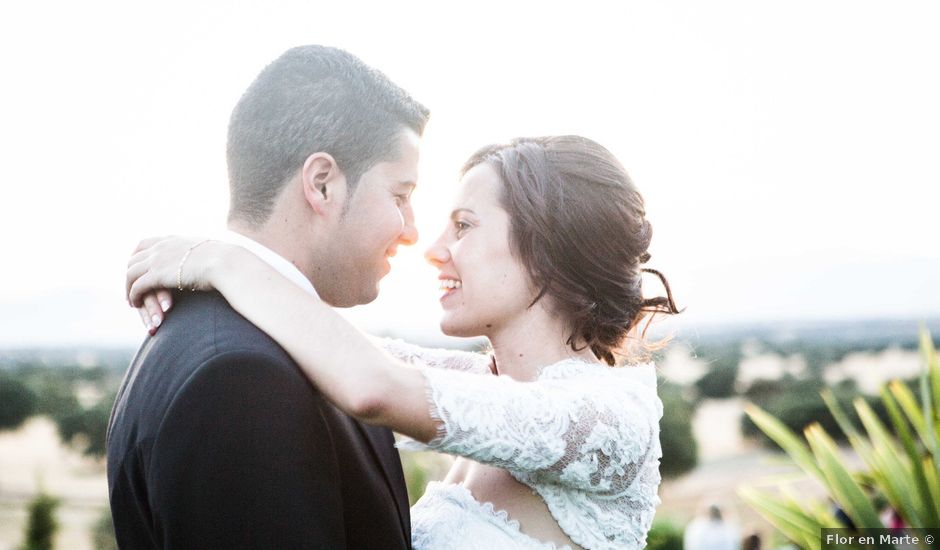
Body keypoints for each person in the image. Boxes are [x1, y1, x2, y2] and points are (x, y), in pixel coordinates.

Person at [128, 135, 681, 549]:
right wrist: (198, 275)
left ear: (548, 250)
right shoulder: (480, 386)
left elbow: (371, 386)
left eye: (464, 226)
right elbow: (334, 344)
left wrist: (227, 261)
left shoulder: (611, 418)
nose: (434, 249)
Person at [107, 45, 430, 549]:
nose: (411, 231)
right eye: (400, 195)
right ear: (322, 184)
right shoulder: (239, 380)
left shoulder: (258, 344)